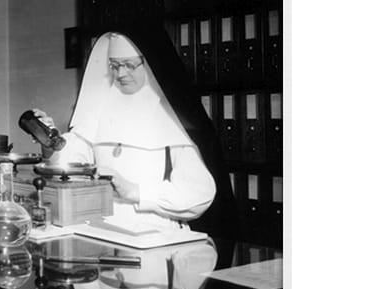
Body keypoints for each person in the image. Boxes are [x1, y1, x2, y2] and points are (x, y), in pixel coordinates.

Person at [34, 25, 236, 236]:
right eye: (114, 66)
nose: (121, 73)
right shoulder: (99, 107)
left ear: (149, 63)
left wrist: (137, 192)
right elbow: (68, 166)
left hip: (155, 231)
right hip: (101, 227)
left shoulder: (171, 117)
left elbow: (200, 194)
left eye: (129, 65)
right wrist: (49, 142)